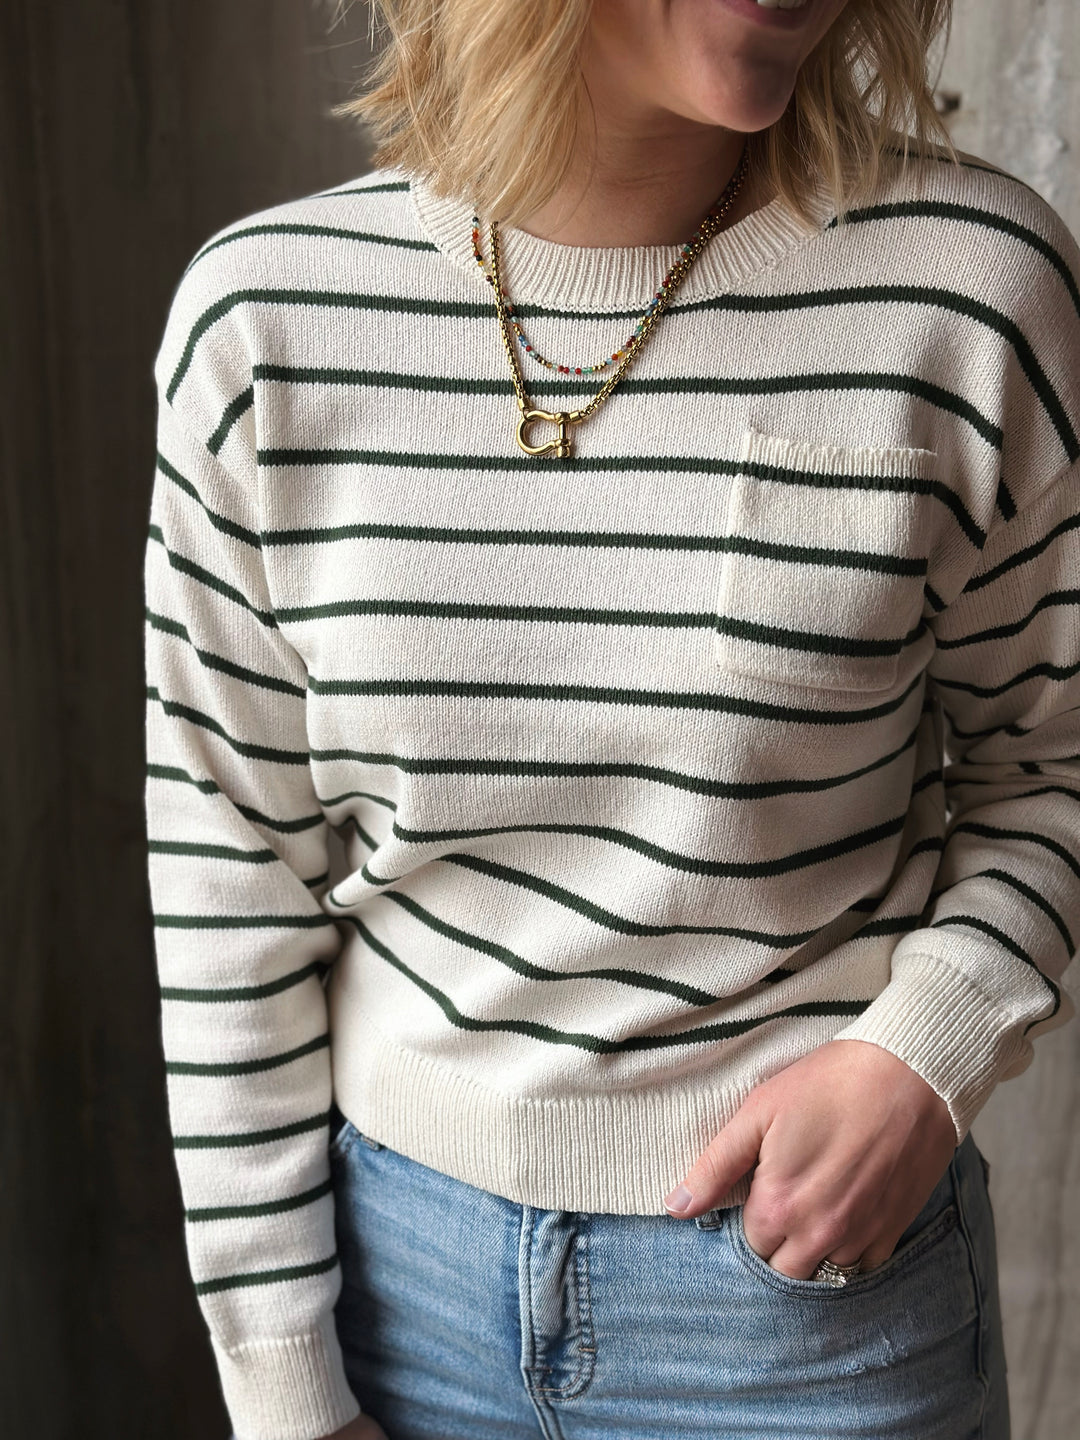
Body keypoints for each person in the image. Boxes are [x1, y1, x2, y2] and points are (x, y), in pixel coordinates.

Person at [143, 0, 1080, 1436]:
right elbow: (228, 872)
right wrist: (283, 1383)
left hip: (806, 1314)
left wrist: (925, 1051)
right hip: (391, 1296)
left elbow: (1052, 760)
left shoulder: (968, 291)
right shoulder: (265, 325)